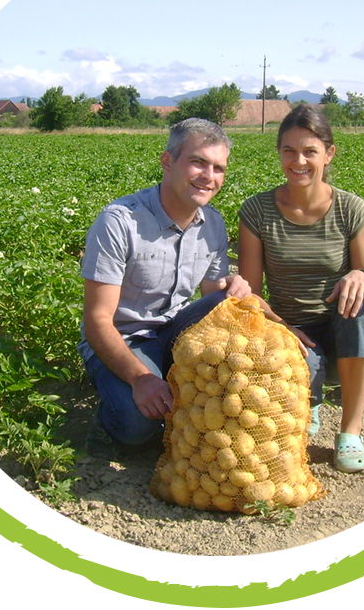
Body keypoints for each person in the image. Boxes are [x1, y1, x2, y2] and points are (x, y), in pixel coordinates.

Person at [79, 118, 250, 457]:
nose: (209, 176)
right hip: (123, 339)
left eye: (218, 168)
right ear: (168, 162)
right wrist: (142, 379)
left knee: (225, 305)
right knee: (138, 422)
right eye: (198, 162)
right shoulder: (119, 222)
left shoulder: (212, 223)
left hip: (174, 331)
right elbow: (98, 321)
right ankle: (107, 426)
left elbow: (213, 295)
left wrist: (234, 287)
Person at [238, 104, 364, 473]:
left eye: (310, 151)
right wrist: (284, 329)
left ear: (328, 154)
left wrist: (361, 277)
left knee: (362, 305)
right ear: (279, 154)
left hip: (342, 332)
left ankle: (350, 433)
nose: (298, 160)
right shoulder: (257, 211)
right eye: (289, 151)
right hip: (289, 332)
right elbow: (251, 296)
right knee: (298, 394)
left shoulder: (351, 209)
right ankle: (310, 400)